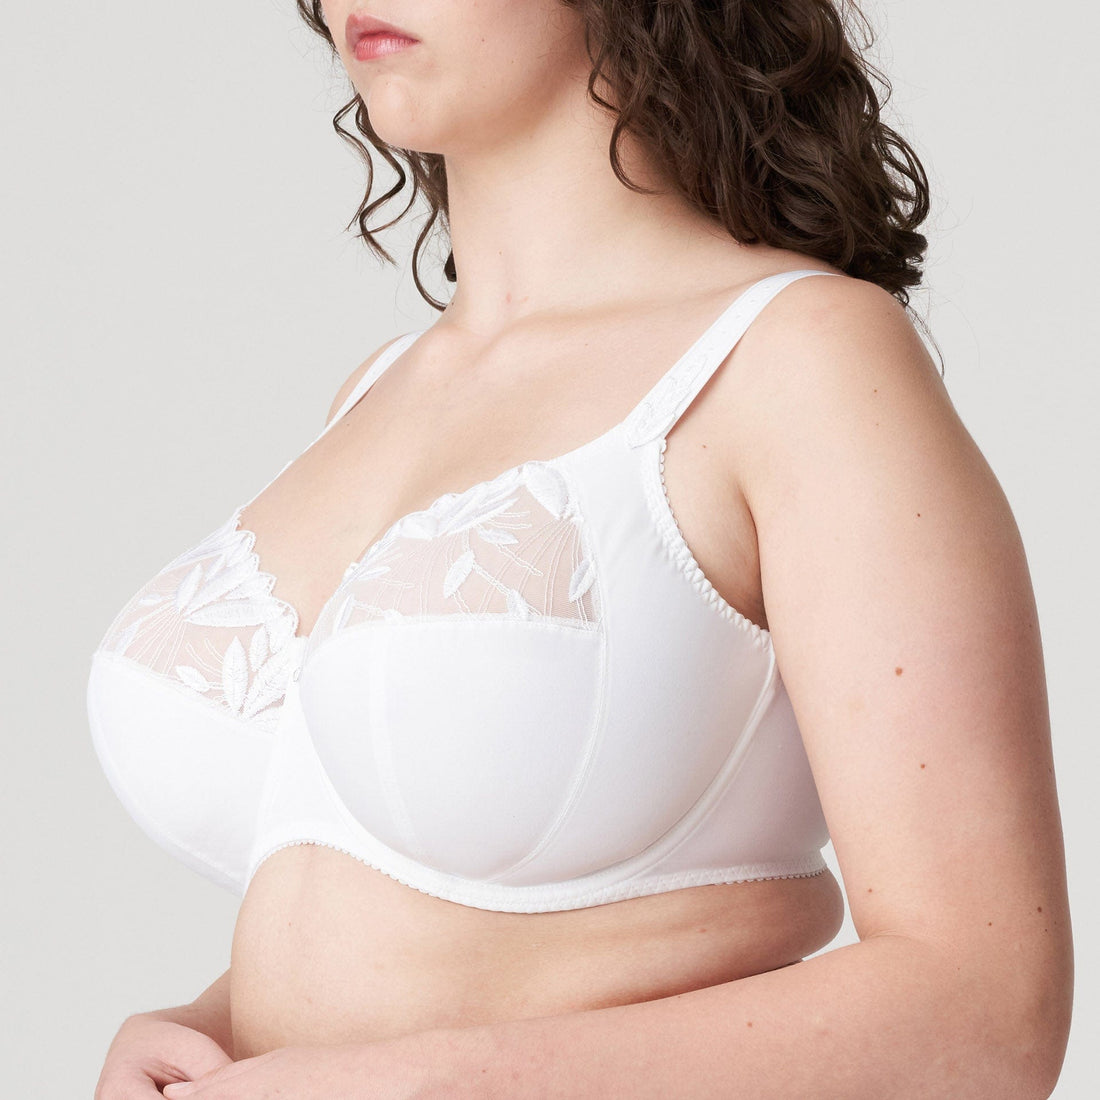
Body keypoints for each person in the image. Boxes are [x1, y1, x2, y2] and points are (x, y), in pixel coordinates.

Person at [89, 2, 1073, 1097]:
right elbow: (405, 913)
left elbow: (987, 1009)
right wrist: (208, 1028)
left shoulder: (795, 361)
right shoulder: (378, 390)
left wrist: (433, 1086)